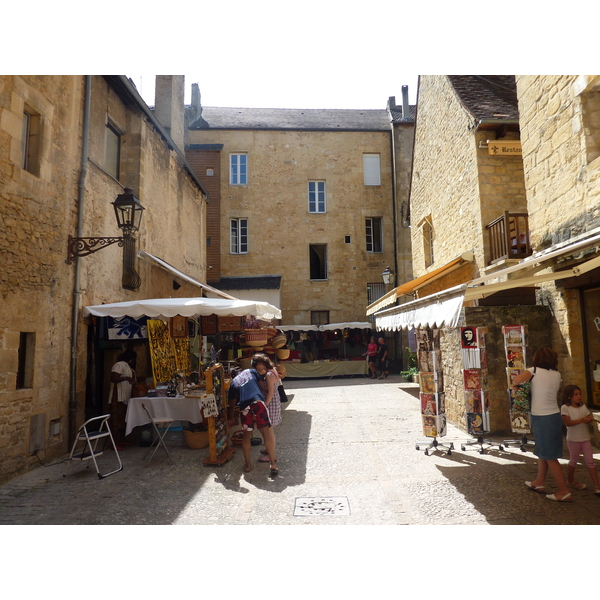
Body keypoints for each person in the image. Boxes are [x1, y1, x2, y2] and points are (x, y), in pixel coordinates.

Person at [512, 346, 571, 502]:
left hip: (542, 417)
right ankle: (539, 481)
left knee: (550, 456)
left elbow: (516, 379)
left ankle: (564, 491)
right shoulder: (557, 374)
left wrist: (517, 388)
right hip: (553, 415)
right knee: (543, 452)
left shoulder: (534, 371)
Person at [228, 354, 278, 476]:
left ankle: (248, 465)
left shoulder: (233, 383)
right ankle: (273, 464)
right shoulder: (251, 371)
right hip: (258, 402)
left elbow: (232, 403)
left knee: (246, 435)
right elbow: (262, 388)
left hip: (245, 406)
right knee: (266, 432)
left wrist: (231, 417)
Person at [560, 384, 600, 494]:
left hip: (585, 438)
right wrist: (582, 420)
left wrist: (589, 419)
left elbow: (588, 417)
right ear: (569, 396)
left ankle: (596, 485)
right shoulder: (565, 408)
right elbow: (567, 423)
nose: (579, 397)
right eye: (576, 394)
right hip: (573, 439)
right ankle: (570, 480)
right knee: (573, 460)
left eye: (579, 394)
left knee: (590, 462)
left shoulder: (583, 407)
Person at [256, 354, 283, 463]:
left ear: (260, 364)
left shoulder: (268, 374)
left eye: (256, 366)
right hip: (275, 400)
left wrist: (265, 405)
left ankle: (271, 456)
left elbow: (270, 393)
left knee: (269, 431)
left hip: (271, 403)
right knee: (269, 430)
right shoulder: (273, 369)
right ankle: (268, 449)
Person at [108, 352, 136, 450]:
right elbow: (114, 378)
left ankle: (122, 439)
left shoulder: (129, 368)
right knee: (116, 420)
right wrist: (127, 378)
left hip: (126, 397)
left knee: (123, 419)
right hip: (118, 397)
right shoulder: (119, 365)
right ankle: (114, 442)